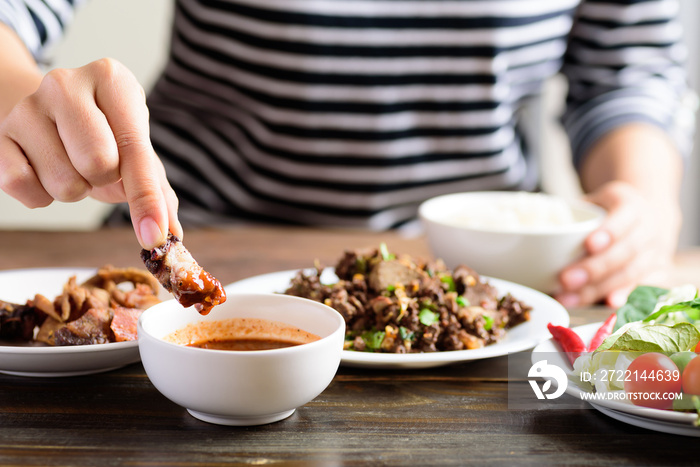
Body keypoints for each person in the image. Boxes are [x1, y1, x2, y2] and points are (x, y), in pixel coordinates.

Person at [0, 0, 695, 308]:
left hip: (484, 279)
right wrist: (36, 105)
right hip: (205, 239)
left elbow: (628, 68)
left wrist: (641, 202)